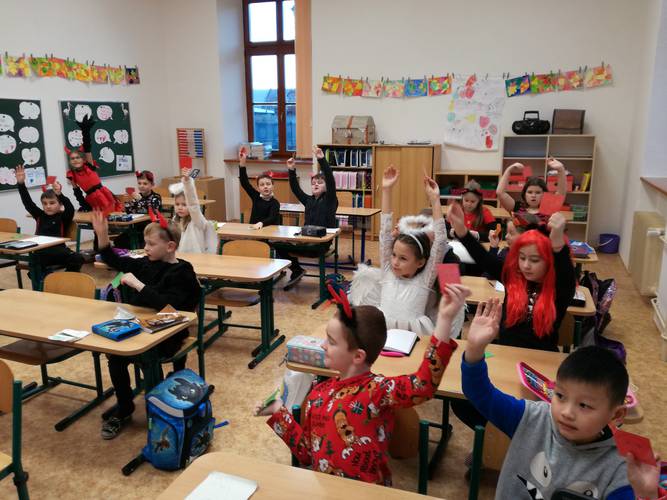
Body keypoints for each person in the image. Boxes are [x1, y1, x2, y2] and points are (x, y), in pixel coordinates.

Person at [256, 284, 468, 485]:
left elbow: (423, 385)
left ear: (358, 356)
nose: (323, 345)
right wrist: (278, 412)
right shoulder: (317, 393)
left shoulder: (378, 390)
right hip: (325, 491)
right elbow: (306, 453)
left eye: (331, 341)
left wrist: (444, 320)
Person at [461, 298, 663, 500]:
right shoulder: (533, 418)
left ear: (616, 414)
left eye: (584, 405)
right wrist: (475, 349)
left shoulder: (621, 467)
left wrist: (646, 495)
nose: (567, 412)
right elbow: (480, 393)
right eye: (560, 396)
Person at [90, 209, 200, 439]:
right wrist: (102, 236)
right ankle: (125, 406)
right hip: (139, 326)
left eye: (151, 244)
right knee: (116, 356)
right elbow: (113, 259)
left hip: (170, 334)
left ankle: (158, 411)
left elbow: (171, 310)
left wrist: (139, 286)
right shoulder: (145, 263)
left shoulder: (183, 272)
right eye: (145, 243)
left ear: (170, 246)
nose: (146, 248)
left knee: (146, 356)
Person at [448, 202, 576, 351]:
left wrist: (558, 247)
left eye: (534, 260)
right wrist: (462, 230)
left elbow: (565, 272)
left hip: (541, 358)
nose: (526, 265)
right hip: (507, 354)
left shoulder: (559, 287)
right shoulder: (512, 277)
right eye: (522, 258)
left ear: (549, 261)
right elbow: (483, 258)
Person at [369, 165, 460, 335]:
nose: (395, 262)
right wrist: (387, 190)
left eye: (403, 258)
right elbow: (385, 232)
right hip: (383, 333)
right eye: (394, 255)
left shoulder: (425, 279)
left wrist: (435, 200)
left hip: (413, 336)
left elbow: (440, 241)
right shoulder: (387, 271)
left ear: (420, 262)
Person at [274, 147, 338, 288]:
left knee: (286, 246)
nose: (315, 184)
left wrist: (321, 159)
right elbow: (296, 189)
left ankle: (298, 270)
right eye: (313, 183)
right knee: (277, 245)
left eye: (319, 182)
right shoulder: (308, 200)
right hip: (305, 241)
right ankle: (297, 270)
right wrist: (291, 170)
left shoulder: (330, 199)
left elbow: (330, 179)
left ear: (327, 187)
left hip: (320, 244)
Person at [15, 165, 83, 272]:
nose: (48, 206)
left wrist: (60, 194)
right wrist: (21, 184)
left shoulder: (63, 217)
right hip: (41, 251)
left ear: (60, 204)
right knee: (35, 263)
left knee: (78, 258)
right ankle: (43, 277)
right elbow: (27, 202)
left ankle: (67, 277)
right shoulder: (39, 215)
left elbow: (70, 208)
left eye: (52, 203)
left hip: (58, 251)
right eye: (45, 203)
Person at [65, 116, 120, 213]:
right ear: (70, 161)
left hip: (104, 195)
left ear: (83, 159)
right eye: (72, 158)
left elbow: (87, 148)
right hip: (92, 200)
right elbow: (77, 192)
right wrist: (83, 204)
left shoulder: (89, 166)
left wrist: (85, 131)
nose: (75, 160)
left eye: (78, 157)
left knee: (112, 215)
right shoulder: (72, 174)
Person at [497, 158, 567, 225]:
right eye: (530, 192)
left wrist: (561, 170)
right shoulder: (517, 207)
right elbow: (500, 193)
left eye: (538, 192)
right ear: (524, 194)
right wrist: (509, 170)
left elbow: (561, 193)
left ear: (544, 194)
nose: (533, 195)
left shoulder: (547, 208)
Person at [170, 171, 218, 253]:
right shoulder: (175, 220)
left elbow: (193, 204)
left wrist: (187, 182)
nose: (180, 207)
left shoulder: (196, 220)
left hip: (196, 257)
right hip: (180, 256)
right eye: (177, 204)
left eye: (184, 205)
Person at [114, 170, 162, 249]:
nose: (141, 186)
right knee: (119, 241)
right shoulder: (137, 196)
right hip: (136, 226)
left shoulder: (156, 197)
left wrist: (140, 200)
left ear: (152, 185)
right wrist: (127, 202)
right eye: (139, 183)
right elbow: (129, 211)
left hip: (150, 227)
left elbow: (152, 210)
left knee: (142, 244)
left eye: (145, 184)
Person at [238, 148, 280, 230]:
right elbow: (244, 183)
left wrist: (261, 223)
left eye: (268, 184)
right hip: (254, 230)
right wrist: (242, 163)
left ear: (273, 186)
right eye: (262, 185)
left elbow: (272, 217)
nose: (265, 186)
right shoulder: (256, 197)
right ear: (258, 188)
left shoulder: (275, 203)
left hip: (269, 232)